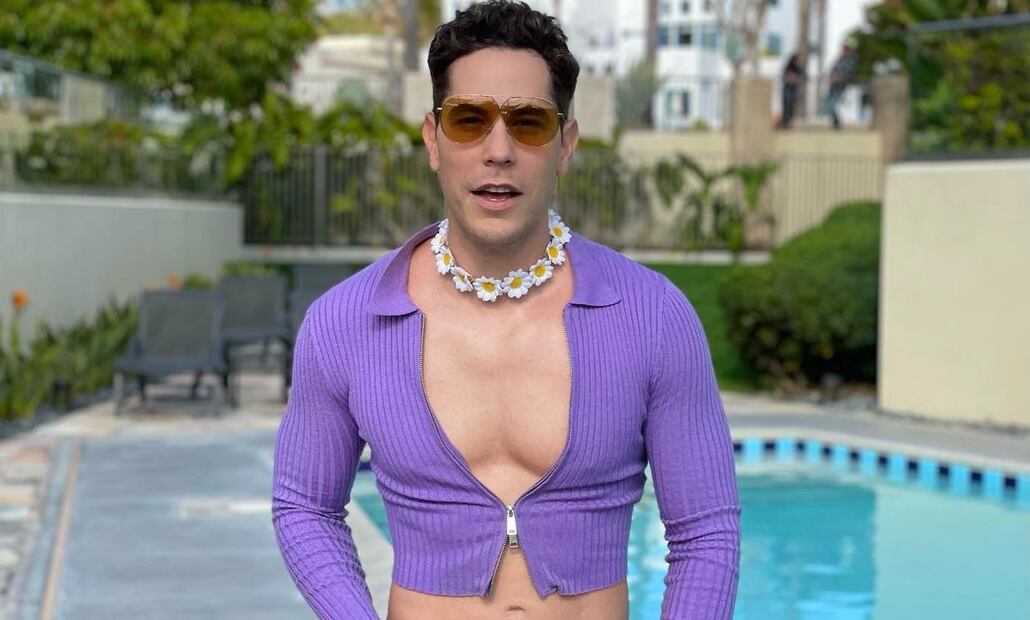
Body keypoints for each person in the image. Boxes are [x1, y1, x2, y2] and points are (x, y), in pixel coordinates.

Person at [270, 2, 741, 619]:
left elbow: (706, 533)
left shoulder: (652, 316)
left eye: (529, 123)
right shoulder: (345, 323)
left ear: (565, 145)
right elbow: (304, 506)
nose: (499, 150)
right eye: (469, 120)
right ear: (433, 140)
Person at [827, 42, 858, 130]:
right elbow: (833, 69)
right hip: (834, 85)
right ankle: (836, 123)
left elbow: (848, 73)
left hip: (841, 86)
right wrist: (831, 76)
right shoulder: (840, 59)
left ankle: (837, 123)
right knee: (831, 105)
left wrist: (839, 78)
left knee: (833, 105)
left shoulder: (851, 60)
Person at [779, 52, 804, 129]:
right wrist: (789, 78)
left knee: (791, 107)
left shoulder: (798, 68)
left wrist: (796, 78)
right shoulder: (788, 67)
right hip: (787, 89)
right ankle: (785, 122)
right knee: (786, 106)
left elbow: (803, 75)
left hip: (793, 90)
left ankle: (789, 122)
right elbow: (784, 77)